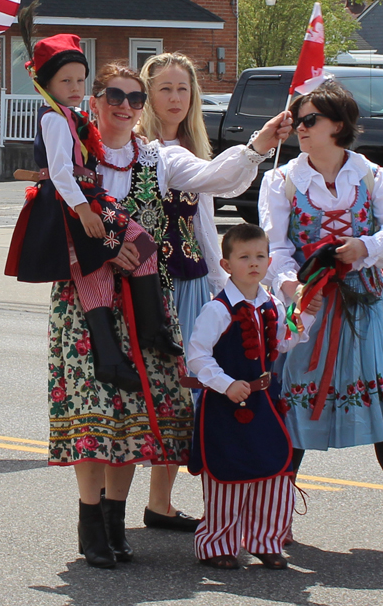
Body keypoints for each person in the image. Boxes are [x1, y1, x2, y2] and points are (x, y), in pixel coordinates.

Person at [47, 59, 291, 569]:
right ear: (95, 102)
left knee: (133, 416)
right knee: (93, 414)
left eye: (135, 99)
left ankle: (116, 522)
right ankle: (90, 521)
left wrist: (258, 145)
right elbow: (59, 217)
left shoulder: (157, 158)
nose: (125, 107)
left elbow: (213, 177)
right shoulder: (75, 150)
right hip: (84, 303)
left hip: (144, 301)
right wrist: (104, 250)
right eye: (115, 96)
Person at [259, 79, 383, 555]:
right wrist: (293, 287)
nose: (299, 128)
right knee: (295, 414)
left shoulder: (371, 177)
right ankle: (274, 521)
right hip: (310, 314)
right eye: (298, 121)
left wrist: (362, 247)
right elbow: (275, 248)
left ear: (338, 125)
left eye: (309, 121)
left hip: (365, 313)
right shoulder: (280, 180)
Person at [5, 23, 181, 396]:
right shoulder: (53, 119)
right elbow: (61, 173)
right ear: (46, 84)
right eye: (65, 81)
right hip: (72, 204)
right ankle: (116, 352)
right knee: (103, 263)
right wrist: (85, 211)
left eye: (80, 80)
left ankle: (140, 337)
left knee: (128, 250)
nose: (74, 88)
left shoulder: (70, 117)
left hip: (85, 197)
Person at [187, 224, 319, 570]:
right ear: (226, 264)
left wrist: (306, 314)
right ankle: (217, 544)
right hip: (226, 405)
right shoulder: (217, 310)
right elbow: (198, 356)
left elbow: (284, 341)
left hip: (265, 402)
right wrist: (225, 383)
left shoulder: (271, 303)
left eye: (260, 256)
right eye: (244, 257)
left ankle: (266, 540)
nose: (254, 263)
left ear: (269, 260)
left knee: (273, 469)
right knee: (227, 473)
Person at [136, 52, 227, 532]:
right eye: (166, 88)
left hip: (190, 282)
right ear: (148, 94)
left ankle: (160, 503)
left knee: (185, 394)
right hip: (150, 284)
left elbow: (205, 226)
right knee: (147, 392)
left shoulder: (193, 149)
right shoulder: (137, 149)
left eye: (183, 89)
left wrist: (222, 284)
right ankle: (113, 506)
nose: (175, 98)